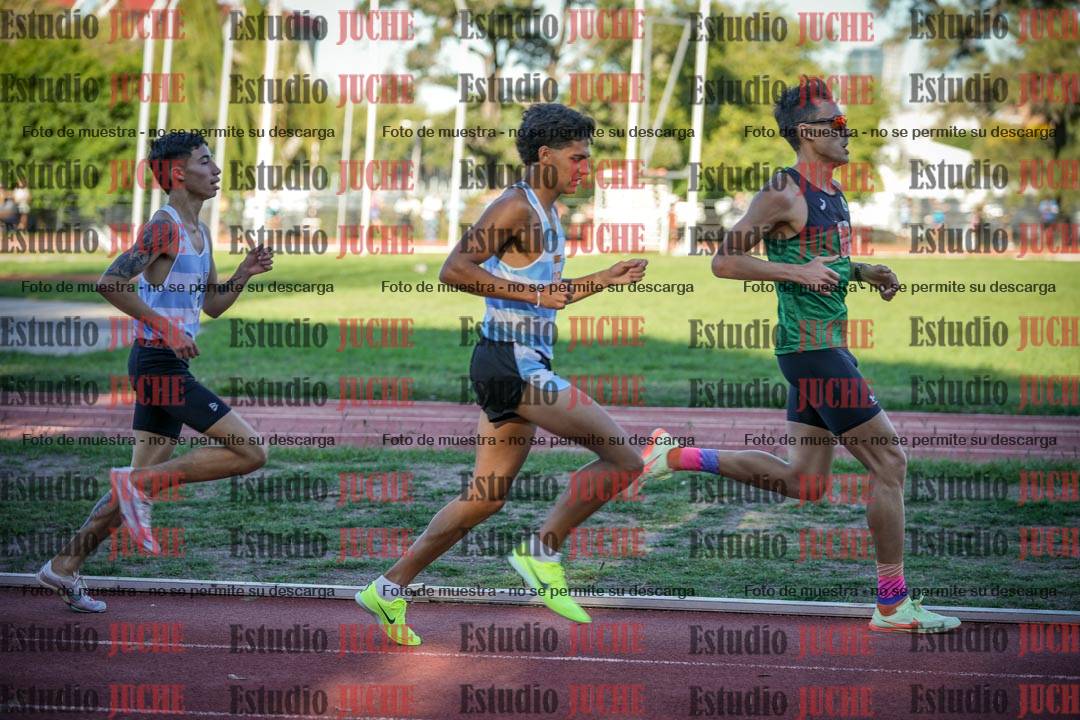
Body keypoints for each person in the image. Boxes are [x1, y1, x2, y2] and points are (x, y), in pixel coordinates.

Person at [641, 78, 960, 634]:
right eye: (837, 125)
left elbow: (819, 258)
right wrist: (794, 272)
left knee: (805, 482)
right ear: (808, 133)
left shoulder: (833, 191)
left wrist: (862, 271)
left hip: (824, 348)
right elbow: (724, 261)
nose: (847, 132)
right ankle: (892, 604)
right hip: (811, 352)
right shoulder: (783, 191)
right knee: (890, 463)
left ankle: (675, 456)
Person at [356, 103, 660, 645]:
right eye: (577, 157)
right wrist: (534, 294)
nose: (586, 167)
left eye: (587, 157)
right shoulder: (515, 207)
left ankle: (388, 586)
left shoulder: (548, 214)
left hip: (516, 361)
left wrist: (605, 278)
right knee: (624, 458)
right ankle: (541, 551)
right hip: (510, 361)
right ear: (545, 156)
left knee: (487, 496)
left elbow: (549, 296)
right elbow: (455, 269)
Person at [38, 131, 274, 612]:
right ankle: (136, 485)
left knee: (138, 480)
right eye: (205, 161)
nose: (216, 170)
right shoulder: (163, 227)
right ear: (178, 173)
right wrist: (165, 327)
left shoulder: (199, 231)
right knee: (251, 451)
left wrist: (243, 274)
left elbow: (211, 305)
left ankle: (63, 565)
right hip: (157, 363)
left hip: (165, 363)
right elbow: (111, 283)